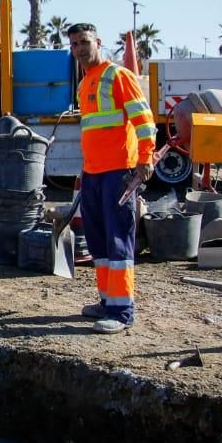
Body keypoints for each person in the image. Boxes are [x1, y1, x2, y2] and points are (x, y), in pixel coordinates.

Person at [66, 22, 156, 334]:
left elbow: (144, 121)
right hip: (93, 173)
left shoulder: (117, 76)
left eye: (84, 42)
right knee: (98, 239)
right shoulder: (85, 83)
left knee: (118, 238)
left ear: (98, 42)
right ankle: (107, 301)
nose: (79, 49)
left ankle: (122, 311)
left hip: (119, 172)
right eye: (75, 44)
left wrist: (145, 159)